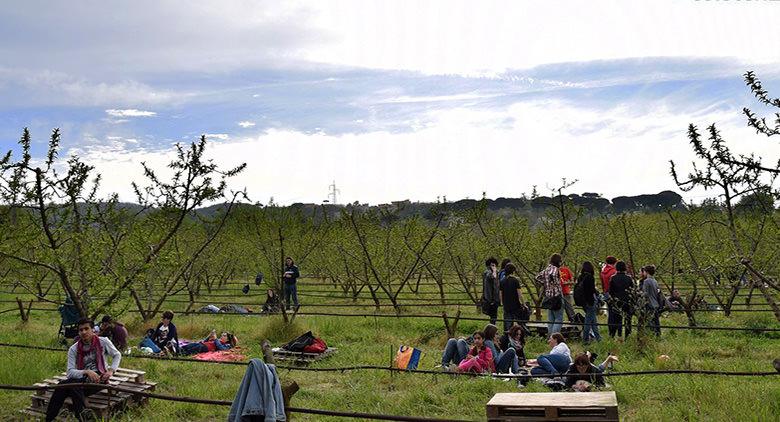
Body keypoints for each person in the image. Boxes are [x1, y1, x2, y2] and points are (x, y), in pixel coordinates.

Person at [46, 318, 121, 422]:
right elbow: (70, 372)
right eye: (81, 330)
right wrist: (86, 371)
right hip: (82, 380)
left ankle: (51, 419)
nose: (84, 332)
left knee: (64, 386)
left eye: (86, 329)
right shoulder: (74, 348)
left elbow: (117, 355)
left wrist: (111, 371)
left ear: (93, 330)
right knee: (68, 386)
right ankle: (53, 419)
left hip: (99, 379)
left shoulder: (103, 342)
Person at [608, 261, 635, 338]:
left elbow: (611, 291)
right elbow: (632, 290)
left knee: (616, 319)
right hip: (627, 301)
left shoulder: (613, 278)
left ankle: (614, 334)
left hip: (617, 301)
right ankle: (627, 335)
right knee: (627, 319)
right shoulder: (629, 278)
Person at [577, 261, 601, 343]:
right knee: (588, 322)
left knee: (593, 320)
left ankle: (598, 338)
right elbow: (591, 291)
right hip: (590, 301)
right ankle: (585, 339)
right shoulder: (590, 277)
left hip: (583, 302)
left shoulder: (580, 277)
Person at [499, 263, 527, 332]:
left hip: (507, 305)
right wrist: (523, 304)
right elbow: (519, 294)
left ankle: (508, 335)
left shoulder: (502, 281)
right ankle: (522, 334)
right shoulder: (515, 280)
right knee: (520, 322)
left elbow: (500, 294)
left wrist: (502, 303)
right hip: (516, 305)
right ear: (513, 271)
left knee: (508, 323)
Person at [541, 254, 564, 335]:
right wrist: (555, 283)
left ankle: (550, 337)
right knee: (558, 318)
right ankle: (554, 337)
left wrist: (545, 284)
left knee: (551, 319)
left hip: (548, 296)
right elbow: (553, 275)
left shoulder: (546, 269)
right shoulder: (555, 269)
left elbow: (537, 277)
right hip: (556, 296)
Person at [640, 265, 662, 336]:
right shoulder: (655, 281)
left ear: (647, 272)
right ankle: (657, 335)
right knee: (656, 321)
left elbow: (645, 294)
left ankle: (650, 335)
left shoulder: (646, 281)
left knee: (649, 322)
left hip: (649, 303)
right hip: (655, 303)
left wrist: (639, 294)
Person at [481, 257, 500, 325]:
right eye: (493, 265)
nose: (495, 267)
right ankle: (491, 332)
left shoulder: (492, 273)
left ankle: (492, 330)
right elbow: (492, 277)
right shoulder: (488, 273)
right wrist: (494, 270)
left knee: (493, 317)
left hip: (493, 298)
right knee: (493, 317)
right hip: (491, 299)